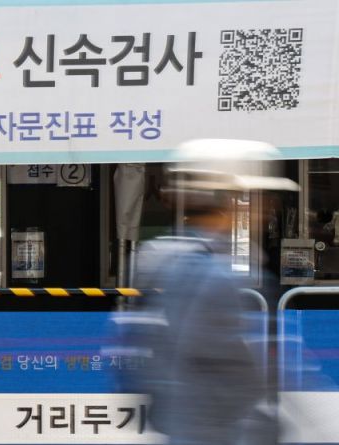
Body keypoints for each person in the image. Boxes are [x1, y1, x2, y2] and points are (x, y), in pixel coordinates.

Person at [123, 139, 296, 445]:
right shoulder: (218, 275)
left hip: (184, 427)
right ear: (231, 200)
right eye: (261, 197)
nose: (269, 208)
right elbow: (243, 374)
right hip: (218, 432)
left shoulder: (160, 258)